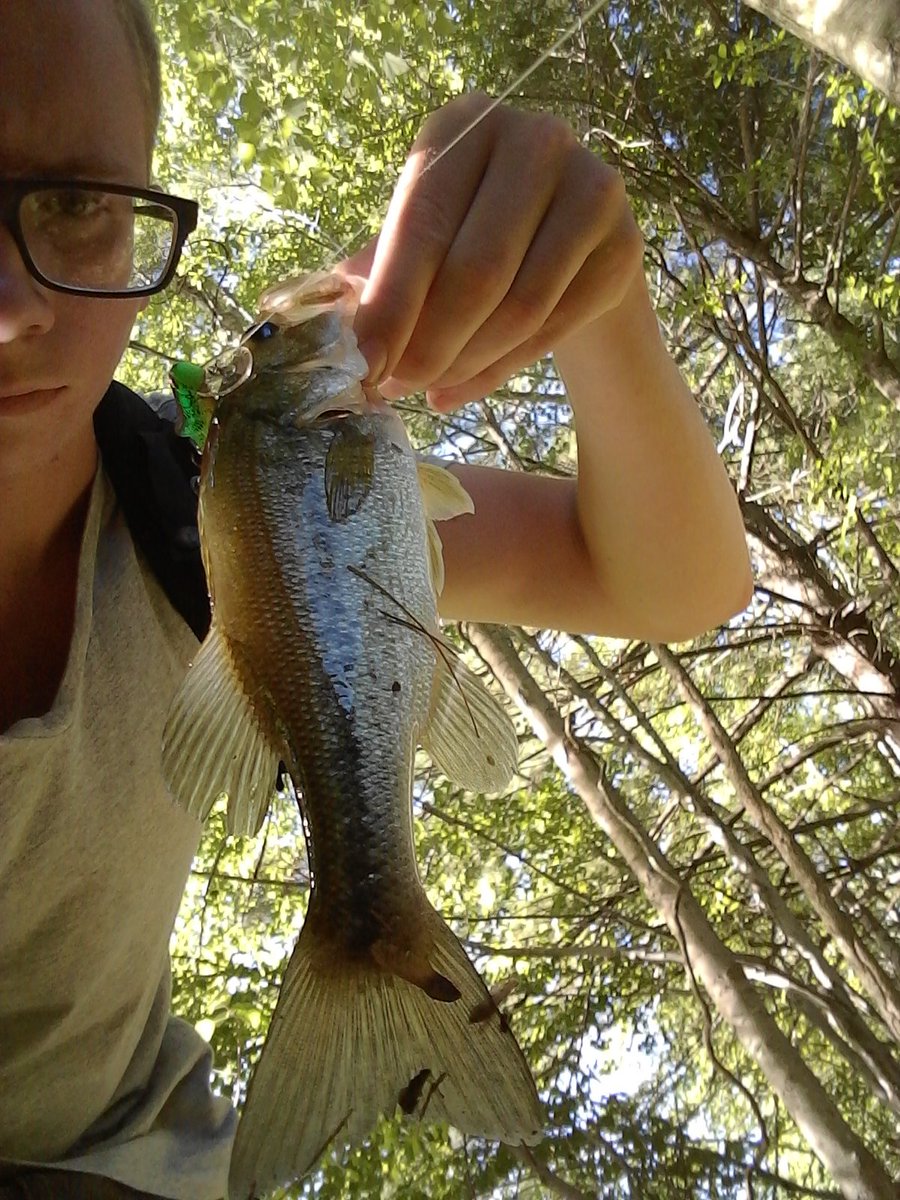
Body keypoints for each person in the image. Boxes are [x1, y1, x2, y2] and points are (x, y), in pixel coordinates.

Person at [0, 1, 752, 1197]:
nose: (9, 309)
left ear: (145, 213)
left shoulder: (198, 517)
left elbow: (675, 582)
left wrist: (600, 306)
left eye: (76, 204)